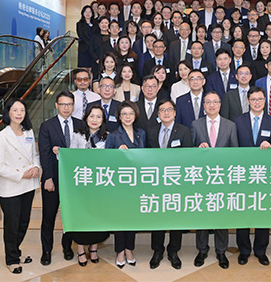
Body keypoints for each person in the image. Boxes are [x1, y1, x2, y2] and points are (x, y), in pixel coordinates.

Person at [52, 104, 110, 266]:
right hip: (80, 184)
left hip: (100, 185)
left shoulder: (108, 137)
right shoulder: (77, 135)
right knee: (81, 216)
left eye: (99, 116)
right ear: (86, 117)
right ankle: (80, 250)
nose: (95, 120)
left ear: (103, 120)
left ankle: (93, 248)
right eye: (92, 116)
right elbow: (70, 157)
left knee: (97, 218)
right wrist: (60, 153)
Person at [191, 91, 238, 269]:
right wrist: (198, 148)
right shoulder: (195, 124)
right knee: (202, 214)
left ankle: (221, 250)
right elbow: (190, 153)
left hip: (222, 178)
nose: (211, 105)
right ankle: (202, 250)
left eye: (215, 102)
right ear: (203, 105)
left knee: (221, 215)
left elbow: (235, 152)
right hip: (202, 179)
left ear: (220, 105)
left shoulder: (230, 125)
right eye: (208, 102)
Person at [0, 99, 40, 274]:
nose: (19, 113)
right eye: (15, 110)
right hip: (11, 188)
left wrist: (36, 167)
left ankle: (16, 251)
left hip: (28, 186)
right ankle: (11, 259)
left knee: (23, 223)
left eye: (22, 110)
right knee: (11, 225)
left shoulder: (28, 132)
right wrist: (21, 175)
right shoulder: (0, 137)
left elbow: (34, 154)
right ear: (8, 113)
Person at [234, 86, 271, 266]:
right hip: (242, 174)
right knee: (242, 212)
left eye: (260, 99)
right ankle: (244, 250)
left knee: (262, 213)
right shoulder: (237, 121)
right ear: (248, 101)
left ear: (265, 100)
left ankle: (261, 250)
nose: (257, 102)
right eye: (253, 99)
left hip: (263, 175)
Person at [38, 91, 83, 266]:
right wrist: (48, 177)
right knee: (49, 216)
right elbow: (45, 154)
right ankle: (46, 251)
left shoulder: (80, 124)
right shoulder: (47, 126)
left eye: (69, 104)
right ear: (56, 105)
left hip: (74, 179)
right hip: (53, 179)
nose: (66, 108)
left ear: (73, 106)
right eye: (63, 104)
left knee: (69, 216)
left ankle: (67, 247)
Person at [147, 99, 193, 270]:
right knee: (157, 217)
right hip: (156, 183)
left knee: (176, 218)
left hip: (177, 182)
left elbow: (188, 157)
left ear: (174, 112)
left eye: (169, 110)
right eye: (162, 110)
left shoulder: (184, 131)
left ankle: (173, 251)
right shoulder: (151, 132)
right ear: (158, 114)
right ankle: (157, 250)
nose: (166, 113)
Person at [106, 101, 146, 269]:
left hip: (137, 184)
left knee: (131, 219)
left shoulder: (141, 133)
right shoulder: (113, 136)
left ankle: (129, 249)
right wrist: (117, 154)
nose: (127, 117)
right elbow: (106, 161)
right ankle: (120, 251)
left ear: (135, 115)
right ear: (119, 117)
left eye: (130, 114)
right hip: (119, 185)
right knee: (120, 219)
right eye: (124, 114)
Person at [77, 5, 97, 71]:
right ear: (83, 13)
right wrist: (91, 45)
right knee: (84, 70)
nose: (88, 14)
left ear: (92, 13)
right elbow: (82, 36)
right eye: (86, 12)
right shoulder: (79, 24)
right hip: (84, 50)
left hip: (93, 51)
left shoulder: (95, 24)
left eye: (90, 12)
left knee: (91, 70)